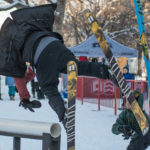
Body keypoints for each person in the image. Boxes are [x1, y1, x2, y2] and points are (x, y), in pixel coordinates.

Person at [0, 4, 114, 128]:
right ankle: (105, 71)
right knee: (77, 67)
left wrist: (24, 98)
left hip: (41, 57)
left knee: (49, 89)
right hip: (56, 45)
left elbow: (17, 75)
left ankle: (64, 114)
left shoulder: (10, 47)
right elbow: (34, 71)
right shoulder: (28, 27)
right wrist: (26, 82)